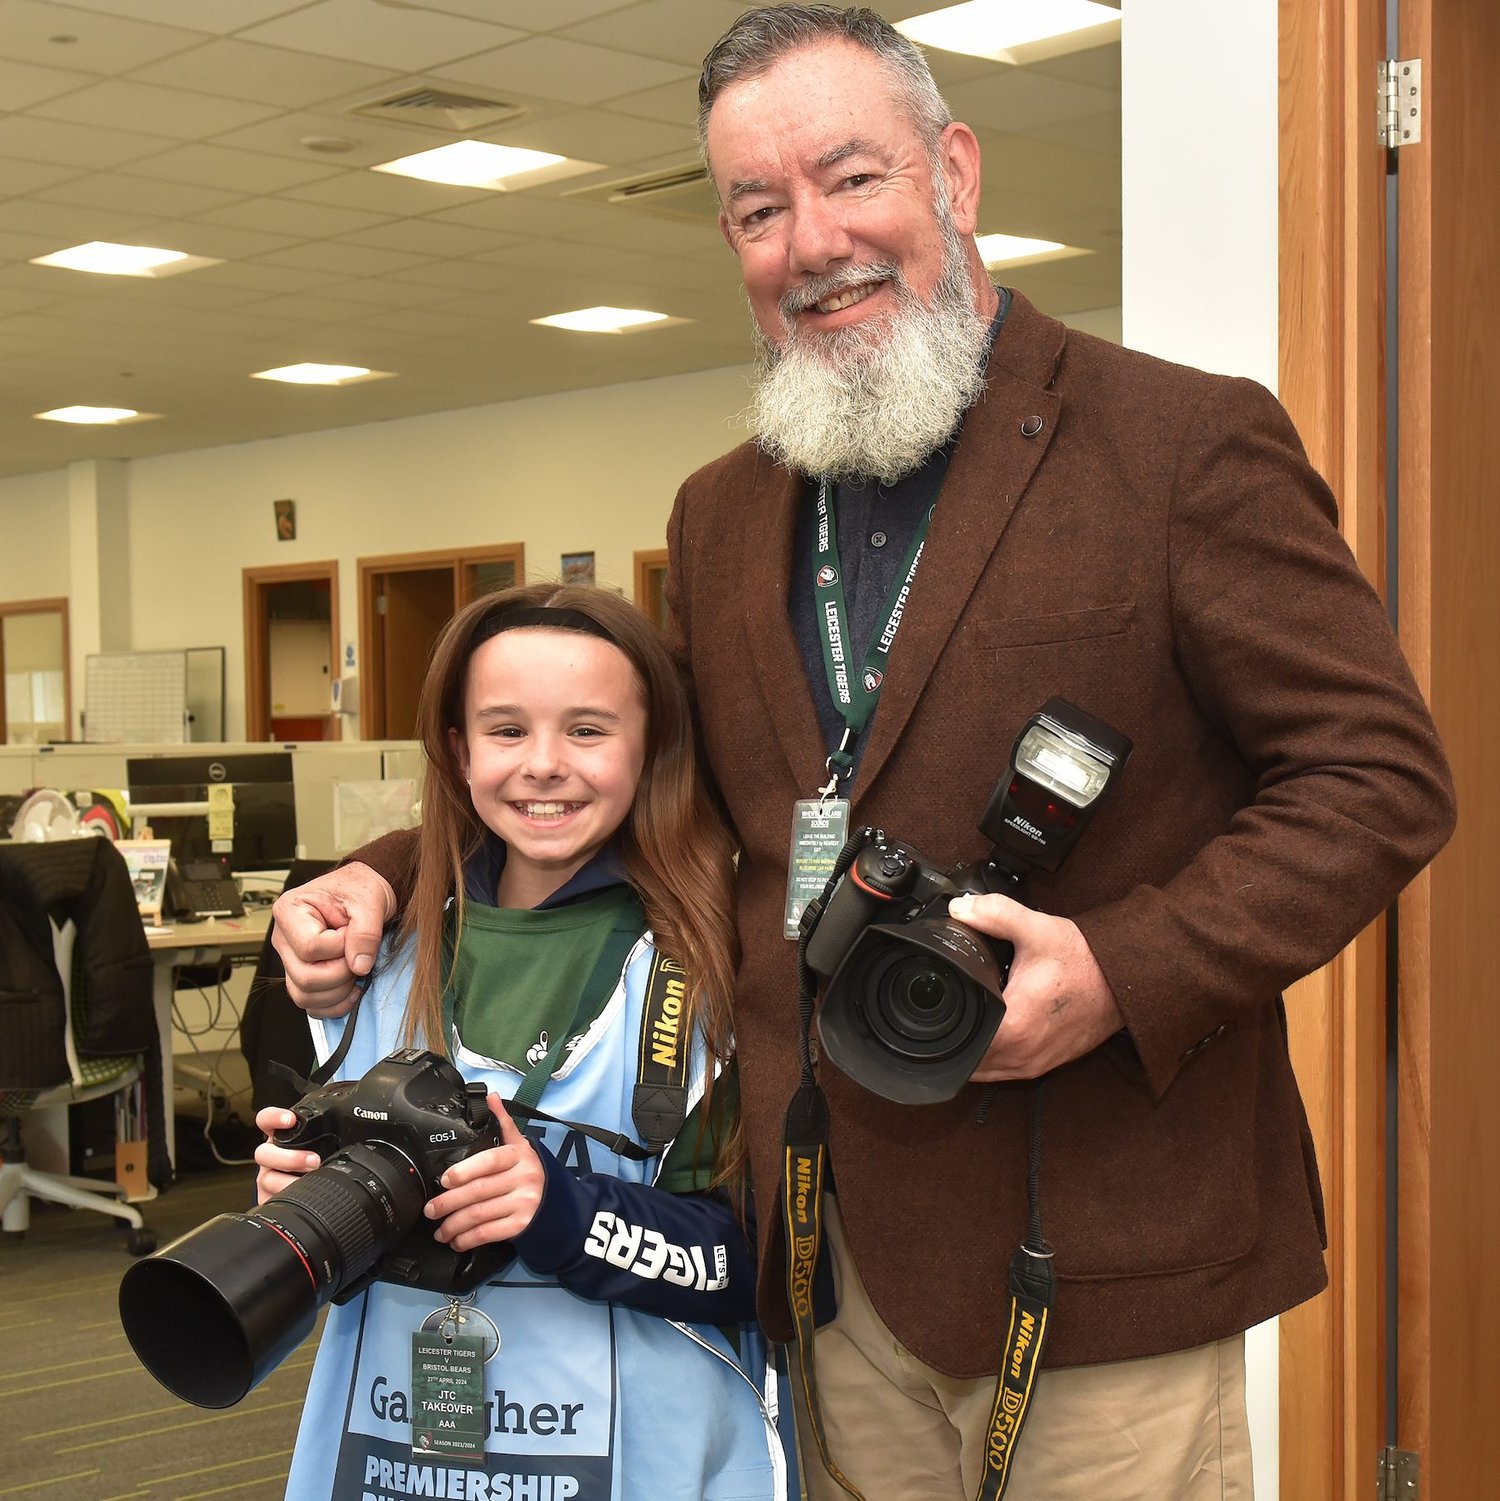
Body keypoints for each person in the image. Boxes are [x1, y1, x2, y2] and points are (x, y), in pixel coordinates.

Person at [271, 8, 1457, 1499]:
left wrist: (1120, 970)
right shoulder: (725, 509)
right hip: (825, 1255)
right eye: (758, 211)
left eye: (851, 181)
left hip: (1090, 1253)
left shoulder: (1177, 447)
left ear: (954, 173)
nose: (810, 243)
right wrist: (385, 875)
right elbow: (649, 770)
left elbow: (1377, 778)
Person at [255, 583, 794, 1500]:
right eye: (506, 732)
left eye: (588, 730)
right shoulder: (374, 949)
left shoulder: (709, 956)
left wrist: (560, 1211)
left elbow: (758, 1266)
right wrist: (306, 1192)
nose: (544, 765)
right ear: (460, 751)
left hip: (638, 1453)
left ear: (652, 745)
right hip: (398, 1446)